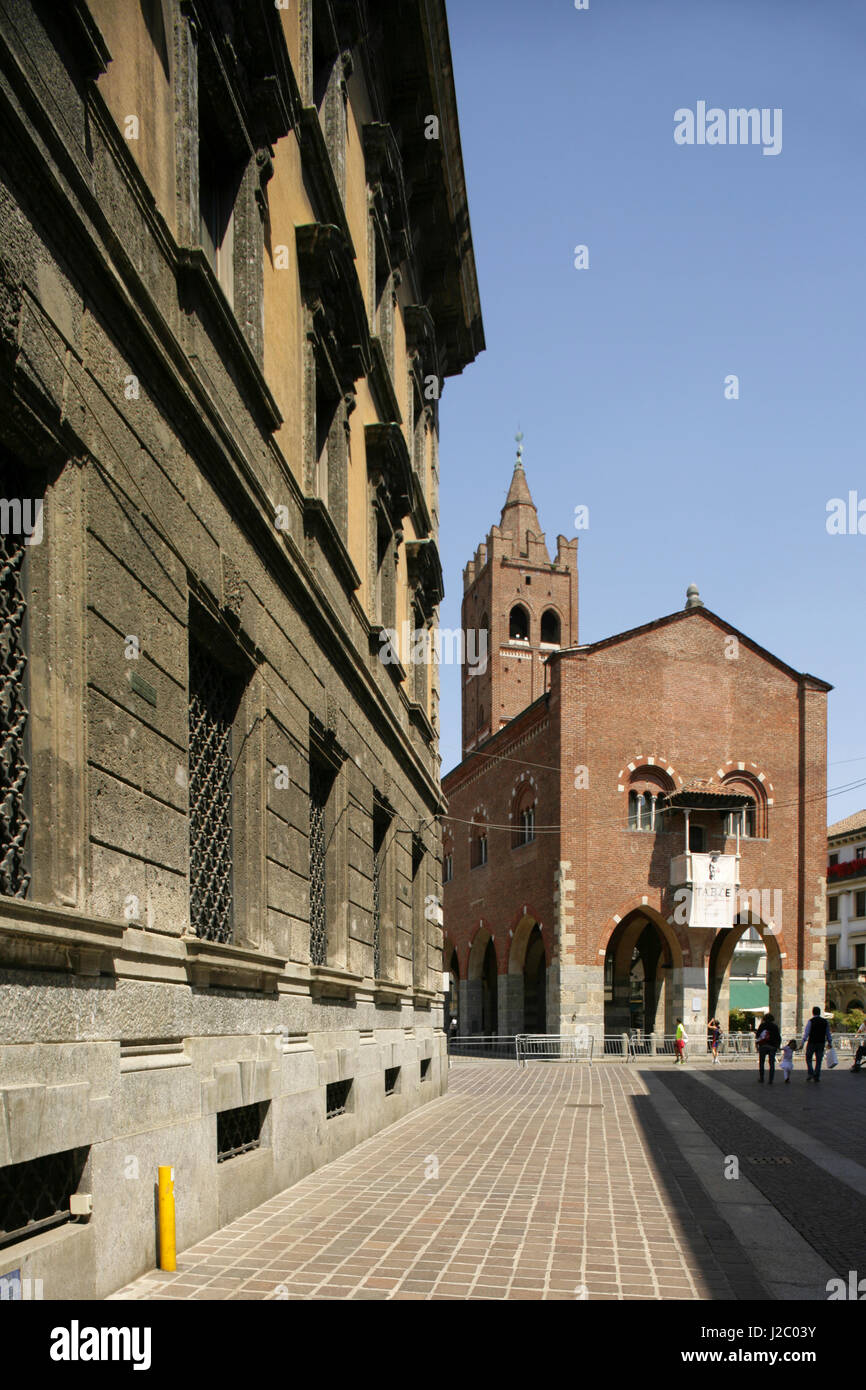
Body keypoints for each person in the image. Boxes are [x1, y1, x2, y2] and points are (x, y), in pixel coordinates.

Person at [802, 1006, 831, 1082]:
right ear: (819, 1012)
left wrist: (803, 1041)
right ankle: (817, 1075)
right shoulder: (825, 1022)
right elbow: (828, 1033)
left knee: (808, 1058)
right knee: (819, 1060)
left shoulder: (811, 1021)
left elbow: (806, 1033)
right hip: (821, 1043)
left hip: (812, 1042)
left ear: (813, 1012)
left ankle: (811, 1072)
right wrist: (830, 1041)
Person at [756, 1011, 781, 1084]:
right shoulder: (775, 1026)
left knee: (762, 1062)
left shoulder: (762, 1026)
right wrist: (777, 1045)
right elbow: (778, 1037)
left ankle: (761, 1078)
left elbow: (758, 1035)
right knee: (772, 1063)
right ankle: (771, 1079)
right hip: (772, 1046)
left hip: (763, 1045)